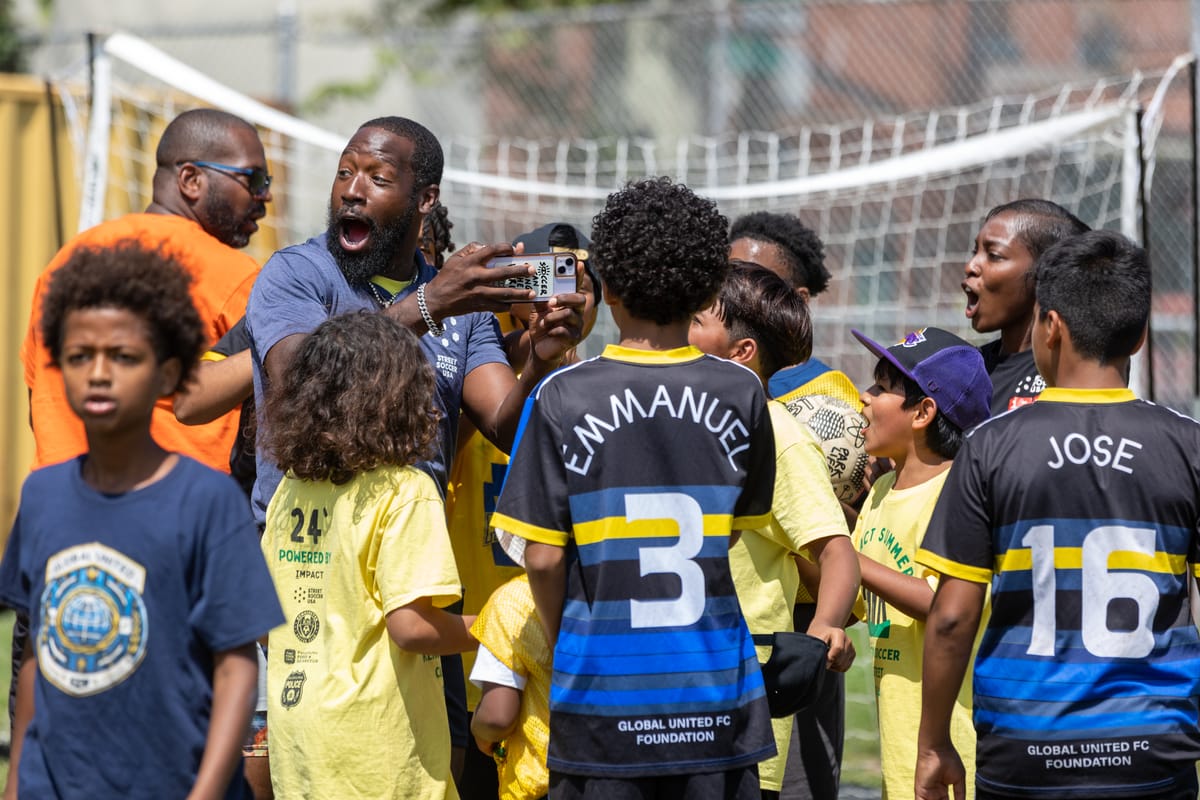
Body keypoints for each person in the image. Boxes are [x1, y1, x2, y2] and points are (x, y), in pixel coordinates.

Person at [245, 115, 585, 785]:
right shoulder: (295, 275)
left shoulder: (462, 304)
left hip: (413, 565)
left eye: (378, 177)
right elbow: (300, 377)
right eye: (346, 172)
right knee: (312, 750)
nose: (352, 190)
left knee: (426, 760)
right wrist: (430, 306)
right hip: (311, 562)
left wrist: (541, 360)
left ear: (424, 198)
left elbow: (505, 425)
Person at [493, 177, 778, 799]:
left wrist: (571, 638)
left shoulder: (563, 396)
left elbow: (542, 554)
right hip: (714, 706)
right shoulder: (743, 392)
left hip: (602, 703)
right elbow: (729, 533)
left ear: (609, 288)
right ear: (707, 289)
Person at [915, 230, 1200, 800]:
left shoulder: (991, 446)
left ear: (1050, 326)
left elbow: (950, 618)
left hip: (1025, 748)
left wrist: (933, 743)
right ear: (1141, 336)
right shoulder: (1188, 445)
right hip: (1152, 749)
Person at [0, 239, 283, 799]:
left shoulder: (209, 503)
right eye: (80, 356)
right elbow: (38, 657)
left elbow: (236, 669)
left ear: (168, 372)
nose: (99, 374)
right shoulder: (42, 497)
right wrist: (15, 786)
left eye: (124, 357)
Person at [258, 311, 474, 798]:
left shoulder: (290, 490)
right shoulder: (406, 490)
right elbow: (411, 628)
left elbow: (268, 625)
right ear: (400, 398)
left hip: (300, 738)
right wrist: (492, 629)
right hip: (379, 749)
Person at [687, 263, 860, 799]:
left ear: (741, 353)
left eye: (695, 320)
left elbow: (837, 552)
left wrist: (825, 628)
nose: (681, 328)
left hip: (739, 700)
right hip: (660, 684)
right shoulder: (667, 414)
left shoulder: (776, 434)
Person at [22, 107, 270, 474]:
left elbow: (38, 400)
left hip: (59, 508)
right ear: (190, 179)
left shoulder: (66, 260)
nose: (264, 196)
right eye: (254, 178)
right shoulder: (237, 277)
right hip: (173, 516)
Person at [452, 221, 599, 800]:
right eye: (541, 274)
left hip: (562, 632)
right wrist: (528, 356)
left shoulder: (598, 385)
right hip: (479, 629)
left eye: (575, 280)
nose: (557, 292)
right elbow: (461, 435)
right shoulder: (468, 366)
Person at [849, 326, 991, 800]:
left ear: (923, 412)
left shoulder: (957, 493)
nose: (864, 398)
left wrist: (844, 557)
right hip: (901, 747)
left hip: (955, 749)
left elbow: (943, 603)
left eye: (882, 388)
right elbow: (860, 592)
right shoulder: (883, 492)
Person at [962, 199, 1089, 414]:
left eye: (994, 255)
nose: (970, 266)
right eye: (975, 252)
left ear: (1046, 271)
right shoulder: (964, 370)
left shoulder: (1071, 372)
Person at [468, 574, 553, 800]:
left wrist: (478, 727)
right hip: (628, 765)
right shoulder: (621, 589)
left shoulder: (514, 600)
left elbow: (496, 718)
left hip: (541, 781)